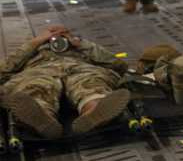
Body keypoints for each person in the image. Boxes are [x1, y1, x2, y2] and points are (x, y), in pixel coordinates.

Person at [0, 26, 131, 140]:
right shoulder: (34, 50)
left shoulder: (81, 47)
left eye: (62, 32)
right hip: (40, 70)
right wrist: (36, 42)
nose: (57, 35)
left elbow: (118, 64)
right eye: (52, 32)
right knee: (35, 87)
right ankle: (41, 118)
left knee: (90, 83)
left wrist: (80, 43)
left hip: (79, 67)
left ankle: (94, 111)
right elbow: (5, 69)